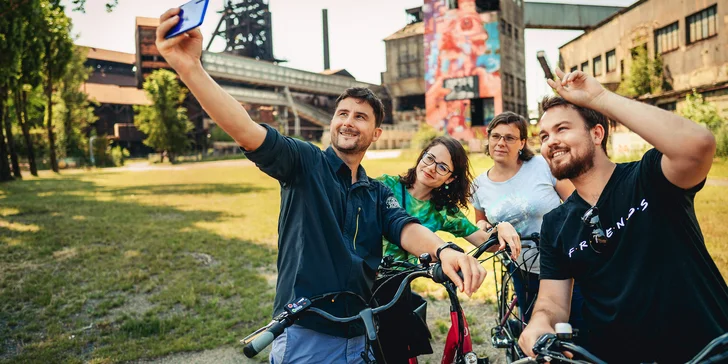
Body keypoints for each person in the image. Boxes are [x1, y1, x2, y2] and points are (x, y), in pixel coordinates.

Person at [155, 8, 487, 364]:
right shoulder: (304, 163)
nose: (348, 122)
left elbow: (405, 227)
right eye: (342, 114)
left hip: (363, 332)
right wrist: (189, 66)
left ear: (376, 133)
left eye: (360, 116)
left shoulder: (377, 192)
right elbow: (246, 129)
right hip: (304, 334)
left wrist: (443, 251)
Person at [519, 68, 728, 363]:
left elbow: (698, 146)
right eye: (543, 135)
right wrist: (540, 322)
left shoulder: (649, 178)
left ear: (597, 133)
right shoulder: (556, 224)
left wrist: (601, 98)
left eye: (562, 129)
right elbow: (552, 302)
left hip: (706, 351)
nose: (550, 141)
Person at [373, 136, 520, 363]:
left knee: (396, 353)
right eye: (429, 158)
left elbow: (484, 241)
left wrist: (502, 227)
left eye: (442, 167)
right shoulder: (385, 187)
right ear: (421, 156)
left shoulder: (443, 211)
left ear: (450, 178)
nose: (432, 168)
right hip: (365, 282)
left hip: (398, 289)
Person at [470, 112, 582, 327]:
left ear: (522, 142)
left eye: (510, 138)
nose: (501, 143)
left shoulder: (542, 166)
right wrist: (489, 227)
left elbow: (575, 204)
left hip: (564, 262)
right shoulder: (478, 185)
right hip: (521, 267)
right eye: (496, 136)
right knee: (536, 328)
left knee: (576, 324)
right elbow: (480, 222)